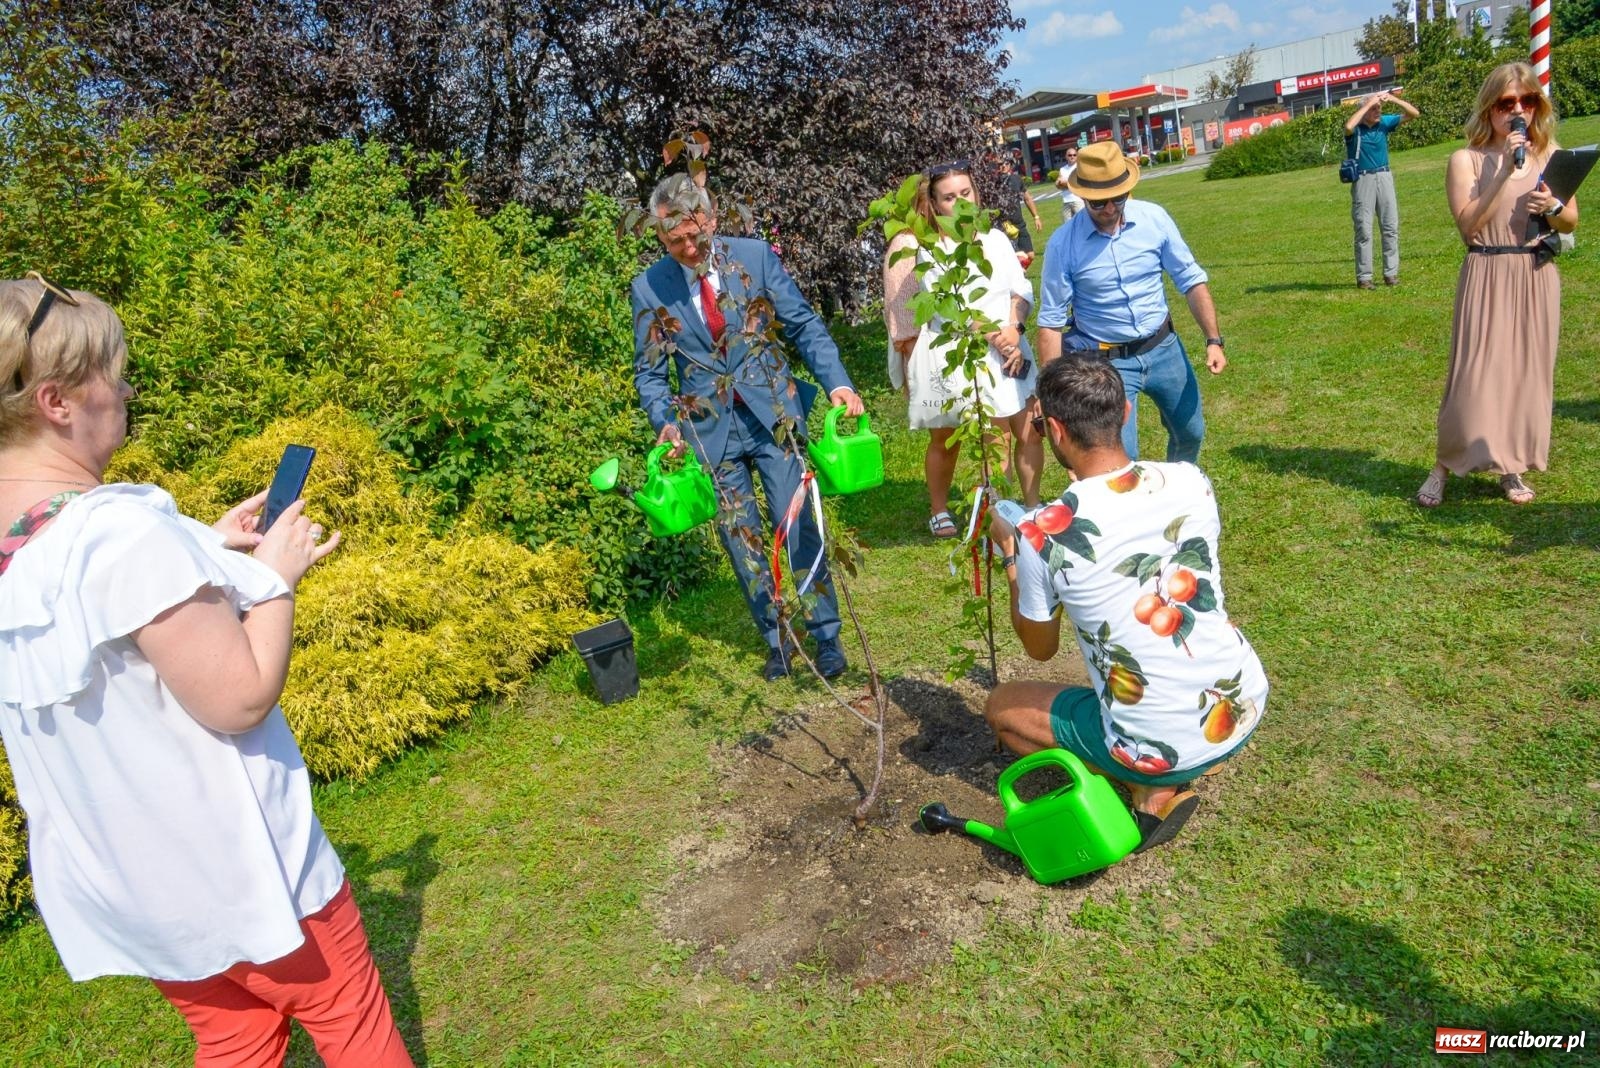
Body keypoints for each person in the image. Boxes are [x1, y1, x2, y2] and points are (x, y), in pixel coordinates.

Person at [0, 275, 412, 1067]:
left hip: (148, 898)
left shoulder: (21, 548)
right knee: (350, 1021)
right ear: (56, 402)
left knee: (235, 1041)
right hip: (249, 876)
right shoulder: (122, 536)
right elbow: (240, 697)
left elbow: (106, 629)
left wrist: (202, 546)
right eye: (113, 374)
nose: (126, 390)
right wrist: (277, 578)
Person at [984, 356, 1269, 851]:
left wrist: (1011, 554)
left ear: (1054, 430)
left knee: (1003, 708)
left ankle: (1149, 785)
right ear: (1127, 412)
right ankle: (1199, 752)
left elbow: (1040, 648)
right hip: (1244, 702)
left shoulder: (1039, 535)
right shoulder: (1190, 480)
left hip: (1159, 744)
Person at [632, 175, 864, 681]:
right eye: (675, 241)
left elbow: (803, 324)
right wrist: (665, 423)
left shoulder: (754, 259)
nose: (689, 249)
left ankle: (825, 635)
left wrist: (838, 384)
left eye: (695, 235)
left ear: (712, 219)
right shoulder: (649, 287)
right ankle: (778, 640)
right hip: (709, 432)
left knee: (795, 523)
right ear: (660, 236)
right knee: (741, 539)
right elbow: (650, 373)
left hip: (773, 418)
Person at [1415, 64, 1579, 508]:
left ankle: (1511, 466)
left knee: (1525, 375)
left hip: (1535, 275)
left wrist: (1554, 205)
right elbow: (1468, 227)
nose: (1518, 111)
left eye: (1528, 101)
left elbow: (1570, 221)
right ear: (1490, 108)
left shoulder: (1550, 154)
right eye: (1508, 103)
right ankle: (1443, 465)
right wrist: (1504, 171)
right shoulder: (1465, 160)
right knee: (1472, 378)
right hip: (1487, 272)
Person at [1035, 141, 1228, 464]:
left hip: (1164, 347)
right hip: (1106, 362)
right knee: (1119, 456)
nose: (1110, 208)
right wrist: (1049, 392)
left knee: (1190, 432)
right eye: (1099, 202)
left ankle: (1176, 488)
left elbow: (1191, 280)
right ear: (1083, 196)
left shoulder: (1154, 219)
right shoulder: (1063, 244)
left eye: (1119, 197)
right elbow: (1051, 322)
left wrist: (1213, 340)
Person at [883, 162, 1043, 537]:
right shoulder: (932, 251)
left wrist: (1015, 328)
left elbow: (1021, 288)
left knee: (1030, 430)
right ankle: (991, 515)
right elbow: (952, 308)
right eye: (949, 197)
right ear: (935, 204)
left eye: (966, 193)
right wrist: (999, 339)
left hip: (1012, 344)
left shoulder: (996, 239)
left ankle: (1033, 508)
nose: (960, 202)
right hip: (971, 352)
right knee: (987, 437)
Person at [1344, 88, 1420, 289]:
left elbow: (1414, 114)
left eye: (1379, 108)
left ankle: (1391, 274)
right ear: (1364, 110)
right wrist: (1368, 103)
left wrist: (1394, 100)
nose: (1378, 111)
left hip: (1384, 176)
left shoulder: (1384, 123)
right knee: (1364, 229)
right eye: (1374, 108)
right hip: (1363, 179)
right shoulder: (1356, 129)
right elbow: (1349, 126)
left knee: (1390, 226)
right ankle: (1364, 277)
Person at [996, 156, 1043, 261]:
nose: (1003, 166)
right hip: (1003, 225)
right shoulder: (993, 183)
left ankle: (1019, 269)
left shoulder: (1017, 179)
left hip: (1019, 223)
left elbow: (1027, 198)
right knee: (1014, 258)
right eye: (1000, 164)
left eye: (1006, 164)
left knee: (1030, 255)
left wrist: (1036, 217)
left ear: (1010, 165)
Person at [1054, 145, 1084, 221]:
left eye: (1074, 155)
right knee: (1068, 225)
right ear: (1066, 157)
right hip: (1066, 201)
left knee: (1081, 222)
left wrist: (1064, 183)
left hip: (1078, 200)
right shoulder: (1062, 169)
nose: (1072, 157)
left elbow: (1078, 183)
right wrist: (1063, 183)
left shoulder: (1079, 167)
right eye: (1070, 155)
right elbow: (1058, 184)